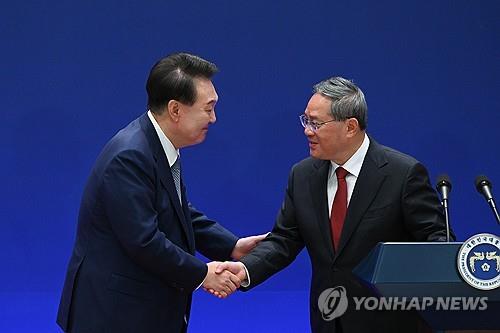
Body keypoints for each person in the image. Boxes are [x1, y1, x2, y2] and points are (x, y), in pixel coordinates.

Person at [215, 77, 452, 332]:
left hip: (391, 322)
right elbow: (284, 240)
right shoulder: (303, 175)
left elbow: (437, 243)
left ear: (350, 127)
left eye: (316, 123)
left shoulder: (402, 174)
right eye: (305, 120)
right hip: (328, 320)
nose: (307, 130)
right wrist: (244, 269)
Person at [56, 52, 265, 333]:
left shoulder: (157, 145)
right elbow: (144, 241)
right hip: (114, 316)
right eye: (208, 108)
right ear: (176, 110)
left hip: (141, 309)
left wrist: (231, 246)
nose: (214, 118)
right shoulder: (129, 156)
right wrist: (203, 274)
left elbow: (177, 211)